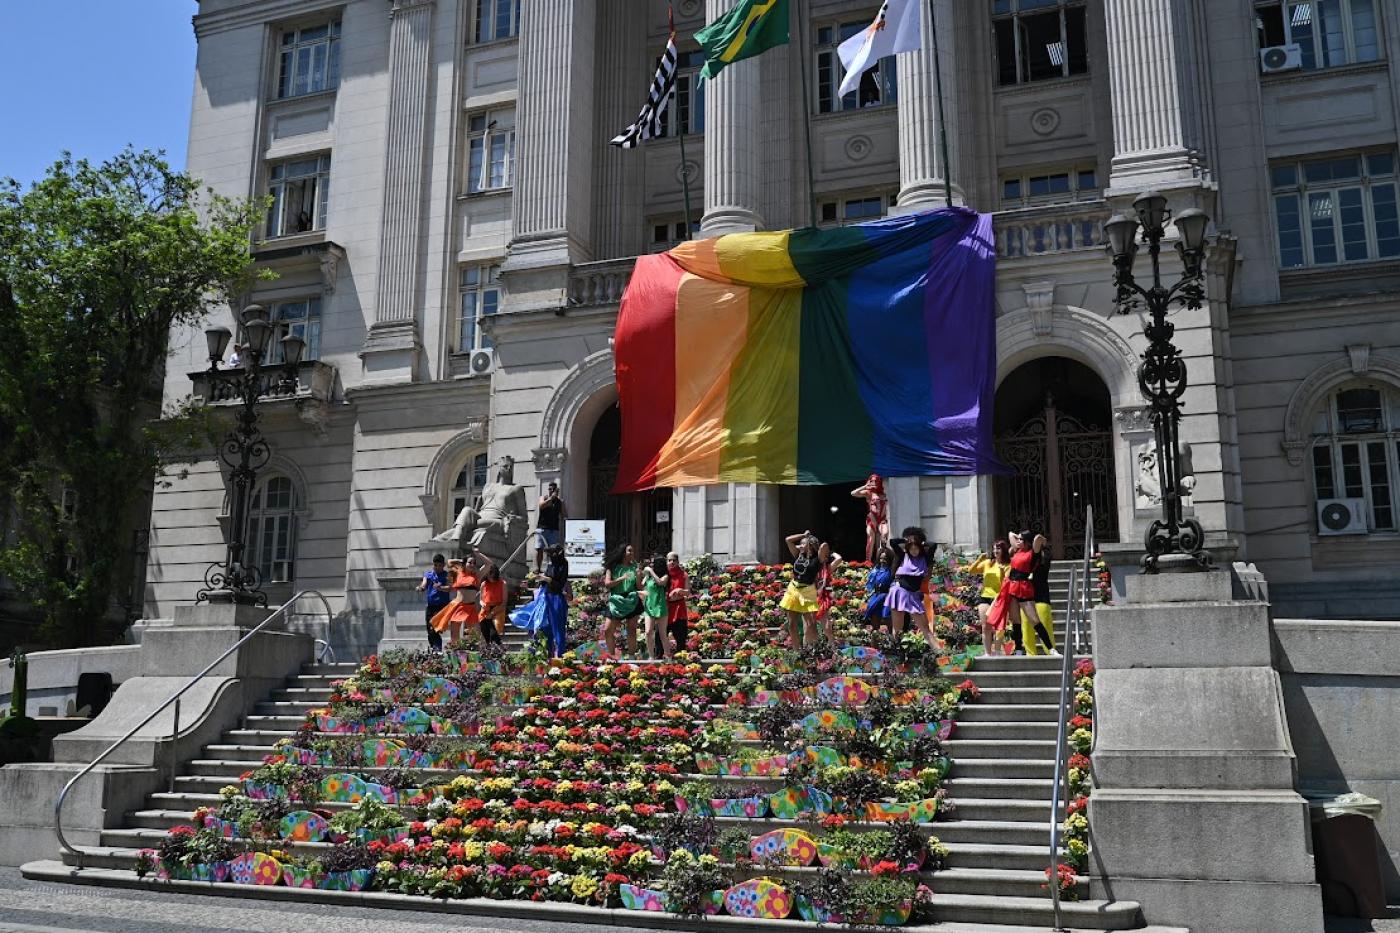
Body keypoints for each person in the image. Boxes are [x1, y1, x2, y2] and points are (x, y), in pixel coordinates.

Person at [986, 531, 1046, 655]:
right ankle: (1018, 649)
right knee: (1015, 621)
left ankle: (1051, 648)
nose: (1017, 541)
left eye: (1021, 539)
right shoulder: (1017, 550)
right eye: (1017, 539)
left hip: (1023, 587)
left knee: (1034, 619)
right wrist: (1020, 539)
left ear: (1027, 542)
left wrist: (1041, 539)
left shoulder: (1031, 553)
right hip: (1012, 587)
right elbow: (1010, 534)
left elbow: (1037, 540)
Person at [511, 545, 572, 657]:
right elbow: (545, 582)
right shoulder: (550, 565)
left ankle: (560, 656)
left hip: (556, 599)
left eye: (551, 554)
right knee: (545, 629)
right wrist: (536, 580)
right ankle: (548, 656)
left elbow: (559, 584)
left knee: (558, 629)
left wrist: (546, 579)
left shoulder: (563, 565)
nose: (549, 556)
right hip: (546, 598)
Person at [887, 526, 935, 647]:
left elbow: (933, 545)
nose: (913, 550)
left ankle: (940, 654)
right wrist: (907, 540)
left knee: (925, 628)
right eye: (911, 547)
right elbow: (892, 542)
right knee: (897, 628)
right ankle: (895, 655)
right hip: (899, 592)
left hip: (913, 595)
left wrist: (918, 540)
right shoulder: (903, 556)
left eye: (916, 547)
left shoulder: (925, 558)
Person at [778, 531, 823, 648]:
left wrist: (811, 541)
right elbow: (788, 539)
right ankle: (797, 651)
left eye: (803, 544)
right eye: (800, 544)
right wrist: (804, 536)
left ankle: (814, 647)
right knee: (792, 624)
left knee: (811, 624)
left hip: (808, 591)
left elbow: (824, 547)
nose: (800, 546)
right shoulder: (798, 554)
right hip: (794, 589)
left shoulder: (817, 559)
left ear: (811, 546)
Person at [969, 540, 1010, 656]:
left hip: (999, 598)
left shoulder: (1007, 565)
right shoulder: (988, 563)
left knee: (999, 627)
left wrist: (1002, 572)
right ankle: (987, 653)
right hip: (985, 597)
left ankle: (997, 651)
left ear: (1003, 550)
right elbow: (971, 571)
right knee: (985, 626)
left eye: (998, 548)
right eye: (994, 548)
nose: (996, 551)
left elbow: (1005, 584)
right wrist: (979, 559)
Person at [601, 543, 642, 658]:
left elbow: (639, 587)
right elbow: (607, 584)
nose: (632, 553)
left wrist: (639, 577)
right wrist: (622, 578)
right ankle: (611, 656)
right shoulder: (612, 568)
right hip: (616, 600)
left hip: (632, 599)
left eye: (632, 551)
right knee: (608, 630)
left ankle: (632, 656)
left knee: (632, 629)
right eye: (630, 551)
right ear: (623, 553)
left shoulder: (635, 567)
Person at [429, 557, 481, 647]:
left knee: (475, 633)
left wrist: (478, 554)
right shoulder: (458, 571)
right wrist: (461, 561)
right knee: (455, 633)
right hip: (459, 606)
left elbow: (489, 564)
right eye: (470, 563)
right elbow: (449, 562)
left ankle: (475, 653)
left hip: (470, 606)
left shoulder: (475, 575)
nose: (472, 565)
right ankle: (455, 654)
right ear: (464, 564)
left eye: (474, 563)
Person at [415, 553, 453, 652]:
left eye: (440, 565)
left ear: (443, 565)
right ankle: (435, 649)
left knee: (434, 628)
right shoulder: (428, 575)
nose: (437, 568)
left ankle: (437, 649)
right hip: (431, 606)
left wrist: (440, 588)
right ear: (433, 565)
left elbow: (449, 588)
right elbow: (424, 584)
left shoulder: (446, 575)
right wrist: (420, 588)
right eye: (436, 565)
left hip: (442, 607)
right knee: (429, 630)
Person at [1027, 545, 1060, 657]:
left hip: (1041, 597)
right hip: (1025, 598)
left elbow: (1038, 545)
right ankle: (1030, 654)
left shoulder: (1044, 558)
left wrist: (1040, 542)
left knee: (1045, 625)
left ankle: (1050, 651)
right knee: (1026, 628)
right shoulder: (1024, 559)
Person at [850, 474, 889, 562]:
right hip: (872, 518)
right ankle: (868, 561)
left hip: (882, 519)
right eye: (872, 481)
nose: (874, 482)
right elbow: (853, 493)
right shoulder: (869, 493)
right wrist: (865, 486)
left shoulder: (883, 493)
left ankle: (881, 560)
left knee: (884, 534)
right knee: (871, 539)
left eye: (875, 481)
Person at [640, 555, 671, 659]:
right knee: (648, 632)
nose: (651, 565)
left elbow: (660, 582)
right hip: (649, 606)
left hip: (660, 606)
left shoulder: (665, 576)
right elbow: (642, 585)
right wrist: (643, 574)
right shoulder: (649, 575)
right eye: (650, 563)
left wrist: (651, 572)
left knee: (662, 633)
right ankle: (651, 656)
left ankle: (667, 655)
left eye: (653, 563)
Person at [814, 542, 845, 643]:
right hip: (811, 597)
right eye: (824, 555)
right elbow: (823, 546)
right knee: (810, 627)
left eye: (826, 556)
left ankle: (831, 647)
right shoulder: (812, 566)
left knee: (827, 627)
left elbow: (839, 559)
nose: (825, 557)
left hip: (823, 598)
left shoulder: (827, 569)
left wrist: (831, 553)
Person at [476, 551, 506, 646]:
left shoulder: (502, 583)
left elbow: (504, 602)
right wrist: (482, 604)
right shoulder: (484, 584)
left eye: (491, 573)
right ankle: (488, 652)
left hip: (497, 609)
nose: (489, 575)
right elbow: (480, 599)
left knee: (494, 633)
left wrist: (492, 613)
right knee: (485, 633)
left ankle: (499, 649)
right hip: (485, 610)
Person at [863, 545, 895, 633]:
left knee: (887, 618)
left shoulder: (892, 570)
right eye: (881, 558)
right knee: (874, 616)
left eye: (885, 559)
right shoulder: (876, 570)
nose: (882, 561)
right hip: (877, 596)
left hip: (887, 597)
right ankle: (874, 640)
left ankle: (893, 639)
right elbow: (870, 584)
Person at [535, 482, 565, 572]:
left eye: (553, 490)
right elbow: (541, 506)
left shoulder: (559, 502)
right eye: (550, 489)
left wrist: (561, 503)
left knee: (553, 551)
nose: (551, 491)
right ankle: (537, 569)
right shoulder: (543, 498)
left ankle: (552, 569)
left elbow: (564, 514)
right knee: (539, 548)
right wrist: (551, 498)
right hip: (542, 528)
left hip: (553, 529)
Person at [665, 552, 690, 655]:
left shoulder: (684, 575)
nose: (672, 562)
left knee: (680, 637)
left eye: (674, 560)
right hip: (665, 608)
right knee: (659, 636)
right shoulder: (663, 575)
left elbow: (688, 592)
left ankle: (681, 659)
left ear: (678, 562)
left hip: (679, 608)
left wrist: (680, 590)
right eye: (669, 560)